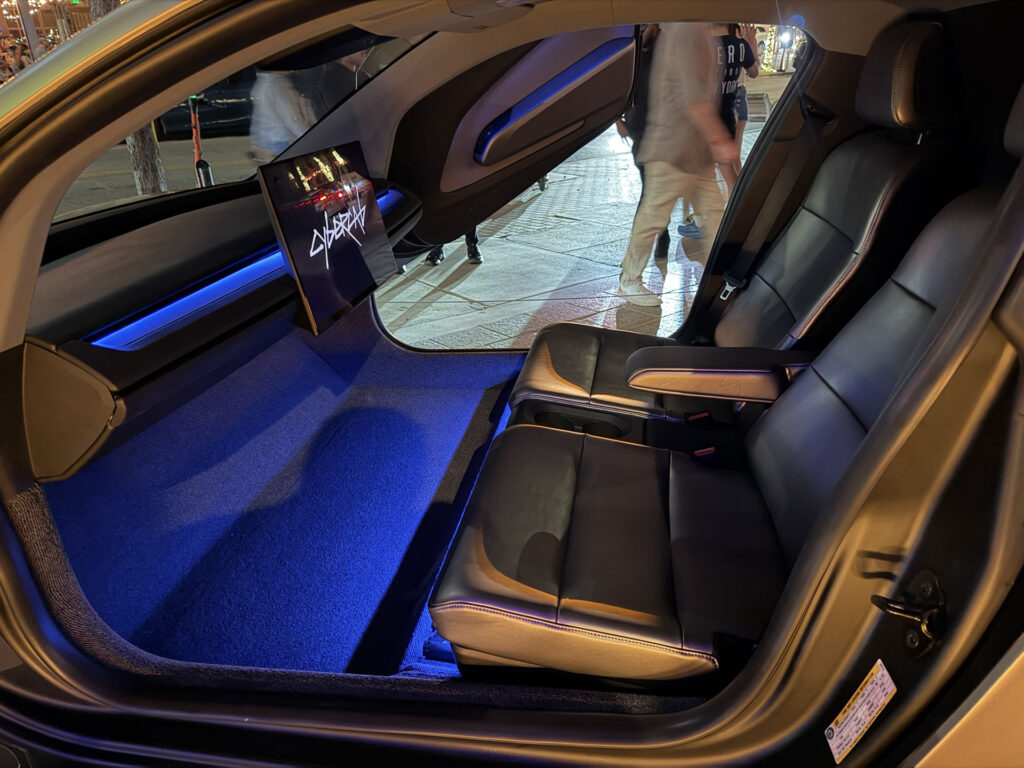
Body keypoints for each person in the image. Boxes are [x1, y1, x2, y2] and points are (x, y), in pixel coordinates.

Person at [618, 23, 737, 306]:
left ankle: (721, 280)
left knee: (715, 215)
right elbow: (693, 98)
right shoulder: (688, 31)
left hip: (693, 152)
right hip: (674, 149)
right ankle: (629, 280)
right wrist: (720, 138)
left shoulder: (693, 31)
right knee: (653, 219)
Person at [616, 24, 672, 261]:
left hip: (663, 135)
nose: (643, 30)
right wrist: (616, 119)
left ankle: (636, 254)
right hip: (638, 132)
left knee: (650, 194)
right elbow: (620, 87)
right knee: (653, 192)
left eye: (647, 25)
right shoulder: (635, 54)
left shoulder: (669, 53)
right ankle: (664, 234)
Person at [717, 23, 759, 194]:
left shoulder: (709, 45)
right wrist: (750, 44)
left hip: (715, 112)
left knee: (727, 166)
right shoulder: (741, 45)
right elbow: (755, 71)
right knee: (730, 163)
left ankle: (738, 207)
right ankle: (740, 202)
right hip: (730, 107)